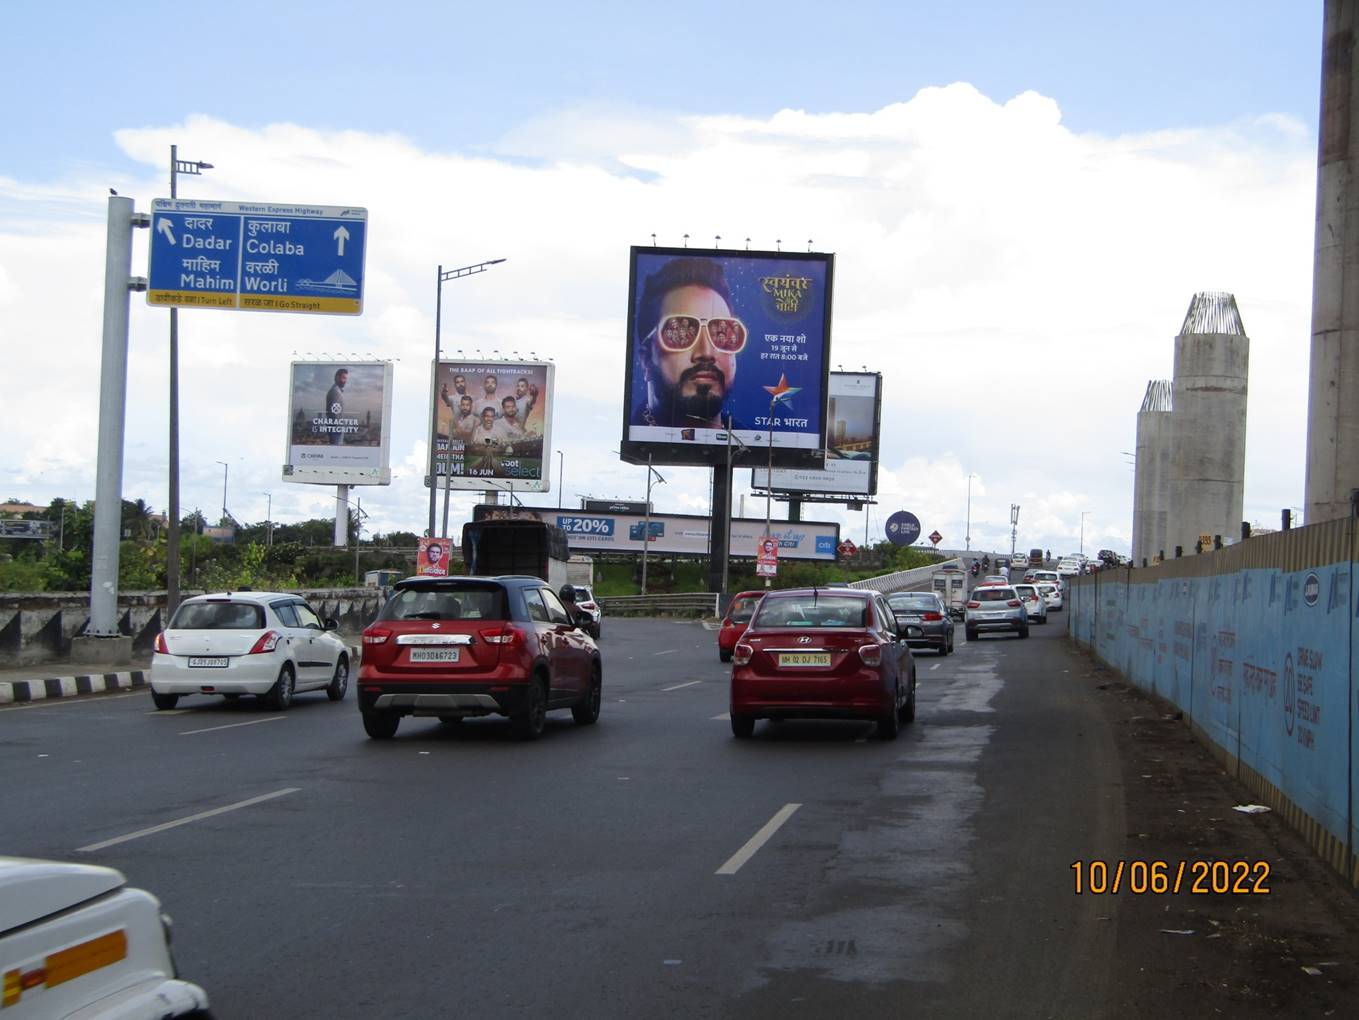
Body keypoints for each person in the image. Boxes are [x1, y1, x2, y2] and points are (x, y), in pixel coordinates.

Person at [631, 257, 747, 429]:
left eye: (721, 334)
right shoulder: (636, 435)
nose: (706, 352)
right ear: (646, 360)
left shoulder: (760, 441)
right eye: (681, 334)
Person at [325, 368, 348, 446]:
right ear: (337, 377)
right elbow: (334, 414)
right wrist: (339, 428)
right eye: (343, 378)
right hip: (336, 431)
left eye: (346, 378)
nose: (345, 381)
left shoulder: (337, 390)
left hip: (336, 430)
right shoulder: (335, 392)